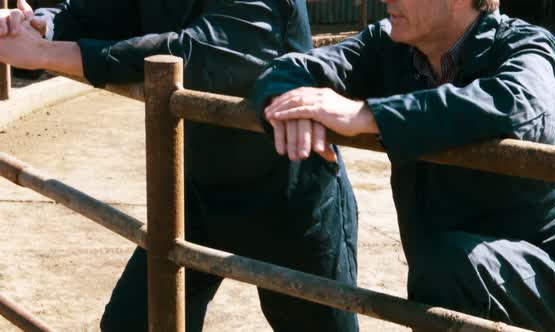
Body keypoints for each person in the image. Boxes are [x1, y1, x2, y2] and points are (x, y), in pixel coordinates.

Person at [0, 1, 359, 331]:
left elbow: (200, 53)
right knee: (135, 324)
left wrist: (45, 53)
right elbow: (103, 10)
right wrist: (39, 25)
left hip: (287, 196)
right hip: (197, 190)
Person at [252, 0, 555, 330]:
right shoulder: (388, 46)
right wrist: (289, 108)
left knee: (444, 269)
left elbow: (521, 106)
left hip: (546, 261)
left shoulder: (527, 45)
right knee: (439, 272)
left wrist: (368, 115)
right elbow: (287, 69)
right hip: (444, 269)